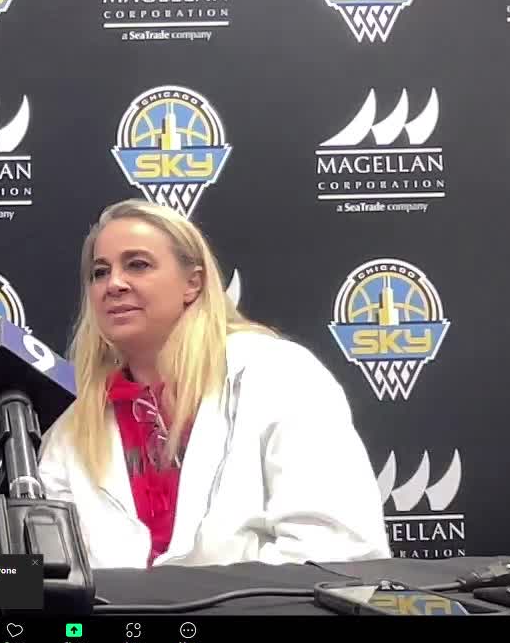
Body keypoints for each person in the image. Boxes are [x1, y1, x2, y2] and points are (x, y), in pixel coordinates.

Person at [38, 199, 390, 569]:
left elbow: (339, 547)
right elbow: (51, 579)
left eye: (137, 265)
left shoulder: (277, 372)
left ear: (193, 283)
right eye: (99, 272)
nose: (114, 284)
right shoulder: (74, 416)